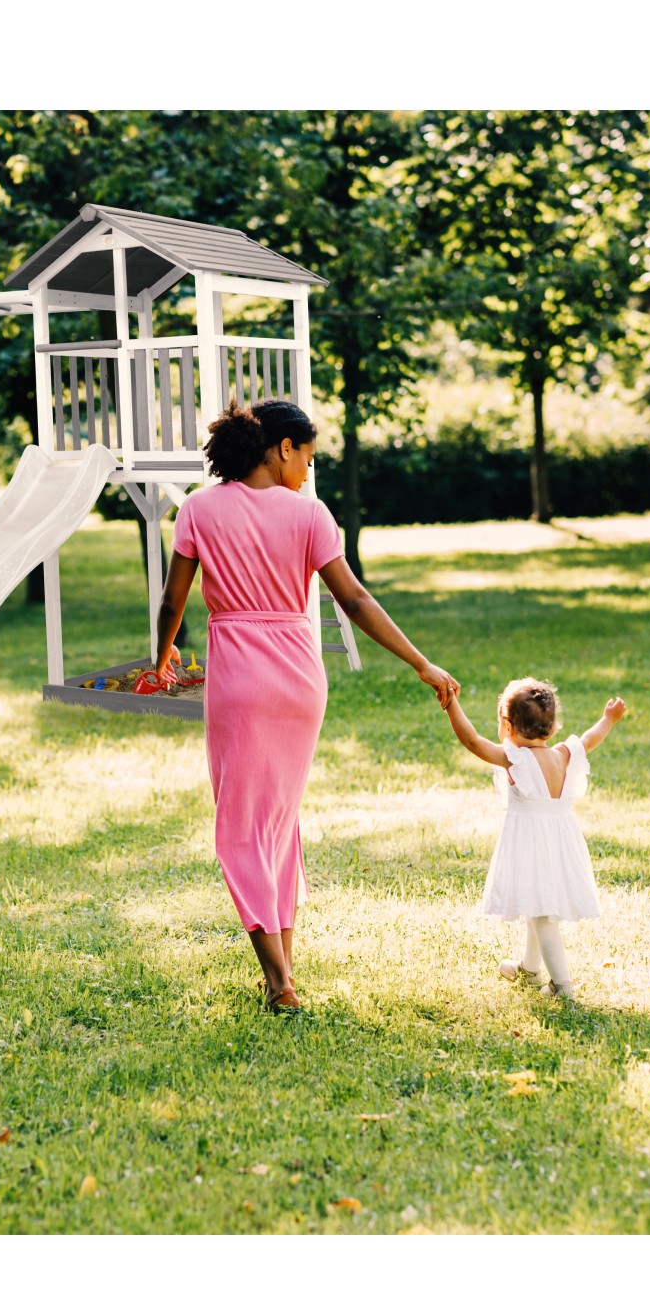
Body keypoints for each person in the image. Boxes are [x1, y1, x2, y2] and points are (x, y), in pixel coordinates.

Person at [154, 399, 460, 1013]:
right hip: (299, 678)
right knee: (277, 822)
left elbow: (173, 602)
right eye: (308, 458)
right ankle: (284, 969)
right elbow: (354, 600)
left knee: (242, 827)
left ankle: (278, 981)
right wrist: (420, 661)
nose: (308, 472)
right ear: (282, 447)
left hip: (239, 678)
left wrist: (160, 656)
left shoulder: (198, 508)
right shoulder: (310, 515)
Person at [441, 677, 627, 1001]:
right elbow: (590, 739)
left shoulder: (516, 759)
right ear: (552, 728)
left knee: (542, 916)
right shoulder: (564, 754)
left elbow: (471, 741)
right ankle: (529, 968)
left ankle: (562, 986)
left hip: (532, 846)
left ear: (508, 726)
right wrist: (608, 719)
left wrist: (450, 703)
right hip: (560, 844)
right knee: (535, 903)